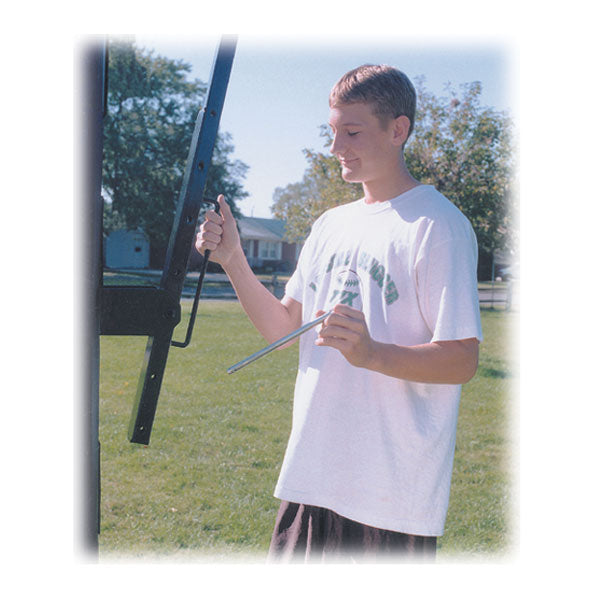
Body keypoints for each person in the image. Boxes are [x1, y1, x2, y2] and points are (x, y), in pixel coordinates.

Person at [195, 64, 482, 563]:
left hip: (389, 498)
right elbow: (283, 328)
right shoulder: (330, 224)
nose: (336, 147)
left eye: (352, 132)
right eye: (332, 131)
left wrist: (372, 353)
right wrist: (234, 259)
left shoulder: (437, 226)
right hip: (311, 477)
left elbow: (462, 359)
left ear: (398, 129)